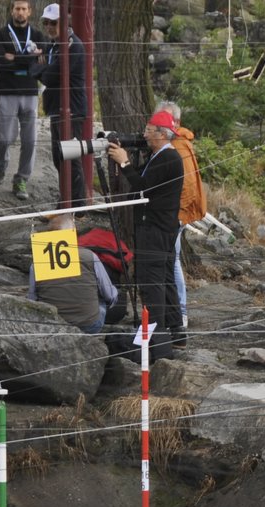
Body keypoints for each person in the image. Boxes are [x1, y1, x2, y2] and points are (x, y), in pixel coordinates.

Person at [106, 110, 185, 358]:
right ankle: (175, 331)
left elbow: (142, 187)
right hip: (162, 227)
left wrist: (124, 162)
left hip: (155, 228)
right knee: (164, 278)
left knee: (153, 281)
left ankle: (156, 338)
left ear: (162, 134)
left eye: (149, 130)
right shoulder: (161, 155)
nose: (144, 134)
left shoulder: (167, 159)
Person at [158, 99, 205, 347]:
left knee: (172, 261)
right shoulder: (175, 143)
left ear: (175, 122)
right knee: (171, 260)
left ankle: (180, 312)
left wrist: (177, 217)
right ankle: (178, 312)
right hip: (173, 215)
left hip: (175, 216)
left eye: (166, 119)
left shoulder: (178, 146)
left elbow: (186, 188)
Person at [0, 0, 47, 202]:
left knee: (30, 140)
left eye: (24, 9)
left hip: (30, 93)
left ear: (29, 12)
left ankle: (21, 179)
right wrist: (29, 57)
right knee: (3, 138)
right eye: (17, 8)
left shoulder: (38, 35)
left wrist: (13, 58)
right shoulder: (0, 34)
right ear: (12, 10)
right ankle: (1, 162)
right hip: (6, 91)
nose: (20, 12)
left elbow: (41, 65)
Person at [28, 214, 117, 333]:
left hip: (52, 323)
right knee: (102, 298)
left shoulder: (37, 262)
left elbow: (32, 299)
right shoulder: (90, 256)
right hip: (89, 325)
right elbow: (109, 295)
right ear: (73, 233)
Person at [39, 3, 89, 209]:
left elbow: (51, 77)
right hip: (56, 108)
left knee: (70, 157)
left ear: (64, 21)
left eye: (54, 22)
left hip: (72, 110)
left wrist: (40, 68)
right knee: (58, 157)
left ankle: (76, 205)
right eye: (46, 23)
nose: (49, 26)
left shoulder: (73, 45)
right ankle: (66, 200)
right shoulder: (54, 44)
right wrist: (43, 70)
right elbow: (47, 73)